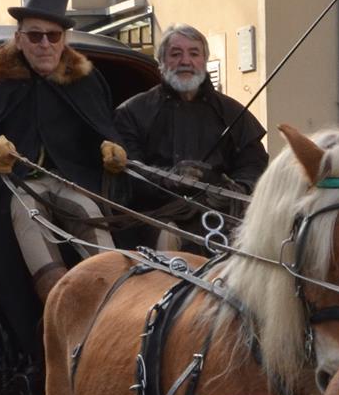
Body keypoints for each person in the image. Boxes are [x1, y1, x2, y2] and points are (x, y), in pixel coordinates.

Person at [0, 0, 126, 336]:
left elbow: (103, 131)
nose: (45, 44)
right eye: (35, 36)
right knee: (28, 216)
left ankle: (118, 303)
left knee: (88, 213)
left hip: (68, 182)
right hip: (12, 189)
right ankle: (61, 313)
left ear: (64, 40)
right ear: (18, 39)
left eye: (53, 35)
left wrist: (112, 151)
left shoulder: (85, 83)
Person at [113, 23, 269, 246]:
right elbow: (128, 172)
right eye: (176, 54)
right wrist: (170, 179)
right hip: (157, 216)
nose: (185, 61)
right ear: (162, 62)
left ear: (204, 61)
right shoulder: (132, 113)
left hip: (222, 215)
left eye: (194, 53)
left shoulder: (233, 112)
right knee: (169, 237)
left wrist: (238, 188)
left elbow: (254, 165)